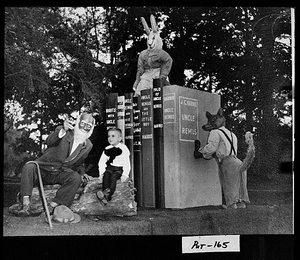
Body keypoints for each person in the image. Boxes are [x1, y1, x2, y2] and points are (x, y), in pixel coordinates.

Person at [18, 112, 95, 216]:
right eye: (83, 123)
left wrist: (82, 173)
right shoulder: (63, 130)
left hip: (61, 173)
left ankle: (53, 206)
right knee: (29, 166)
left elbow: (79, 163)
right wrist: (63, 130)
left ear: (91, 129)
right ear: (78, 122)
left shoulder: (88, 145)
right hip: (44, 169)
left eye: (88, 126)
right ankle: (25, 205)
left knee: (76, 178)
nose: (84, 127)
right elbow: (49, 141)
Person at [97, 127, 131, 205]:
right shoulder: (107, 148)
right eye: (109, 136)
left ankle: (109, 194)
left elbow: (127, 163)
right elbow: (101, 162)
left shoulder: (124, 148)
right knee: (107, 175)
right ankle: (104, 192)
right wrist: (101, 173)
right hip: (111, 167)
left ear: (119, 138)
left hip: (119, 169)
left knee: (114, 177)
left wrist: (125, 174)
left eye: (113, 136)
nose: (110, 138)